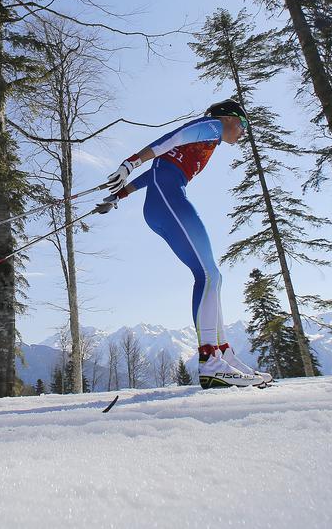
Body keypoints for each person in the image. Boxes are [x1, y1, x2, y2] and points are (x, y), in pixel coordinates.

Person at [95, 98, 272, 389]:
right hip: (168, 199)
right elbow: (171, 140)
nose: (243, 132)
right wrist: (130, 162)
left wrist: (118, 196)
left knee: (212, 275)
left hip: (162, 200)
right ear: (229, 117)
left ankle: (223, 355)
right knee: (208, 275)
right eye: (243, 124)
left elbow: (158, 170)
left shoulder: (209, 142)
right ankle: (210, 361)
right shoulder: (212, 126)